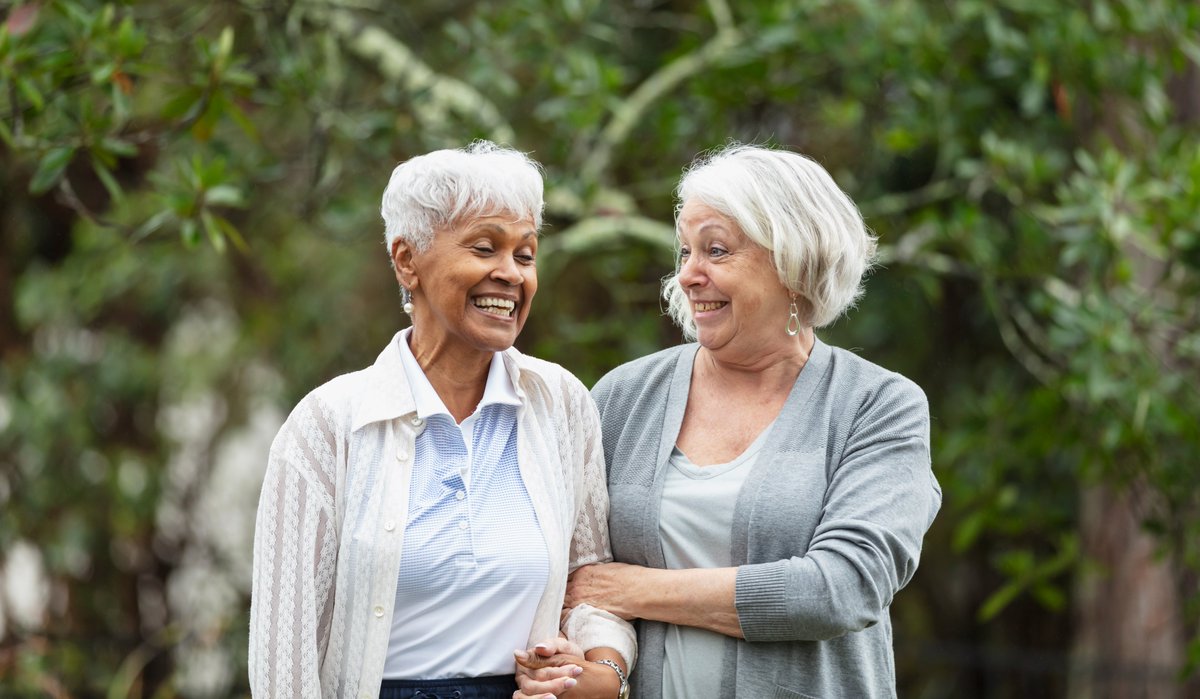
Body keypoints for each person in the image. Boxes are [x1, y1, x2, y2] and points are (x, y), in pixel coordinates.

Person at [515, 144, 942, 699]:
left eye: (716, 250)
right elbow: (574, 578)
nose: (690, 275)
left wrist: (636, 589)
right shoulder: (623, 396)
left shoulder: (877, 405)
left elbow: (841, 589)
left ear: (795, 263)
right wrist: (586, 665)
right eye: (686, 251)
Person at [249, 141, 635, 699]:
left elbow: (591, 582)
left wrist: (600, 671)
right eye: (484, 248)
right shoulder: (328, 424)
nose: (510, 274)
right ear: (408, 260)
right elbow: (282, 658)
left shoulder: (562, 405)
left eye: (525, 256)